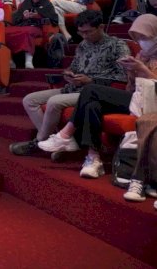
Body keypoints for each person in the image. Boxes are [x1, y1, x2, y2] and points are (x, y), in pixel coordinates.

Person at [37, 15, 157, 179]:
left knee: (91, 90)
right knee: (91, 105)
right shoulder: (142, 55)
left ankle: (66, 134)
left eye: (144, 37)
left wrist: (142, 69)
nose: (141, 42)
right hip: (136, 99)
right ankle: (93, 158)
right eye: (138, 38)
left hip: (151, 102)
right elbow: (131, 89)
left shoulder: (130, 52)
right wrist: (131, 72)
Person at [9, 10, 129, 156]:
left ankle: (39, 141)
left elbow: (123, 76)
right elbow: (73, 67)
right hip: (73, 87)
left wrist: (91, 80)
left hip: (95, 92)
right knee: (29, 100)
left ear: (101, 27)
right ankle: (61, 140)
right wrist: (69, 74)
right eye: (81, 33)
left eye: (88, 32)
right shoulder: (83, 45)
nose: (84, 36)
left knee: (54, 101)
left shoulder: (117, 45)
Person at [6, 0, 57, 69]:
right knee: (6, 32)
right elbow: (15, 19)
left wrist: (37, 15)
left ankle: (28, 61)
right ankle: (10, 60)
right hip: (23, 25)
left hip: (38, 27)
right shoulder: (25, 4)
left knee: (28, 31)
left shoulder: (47, 5)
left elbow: (53, 19)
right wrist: (24, 17)